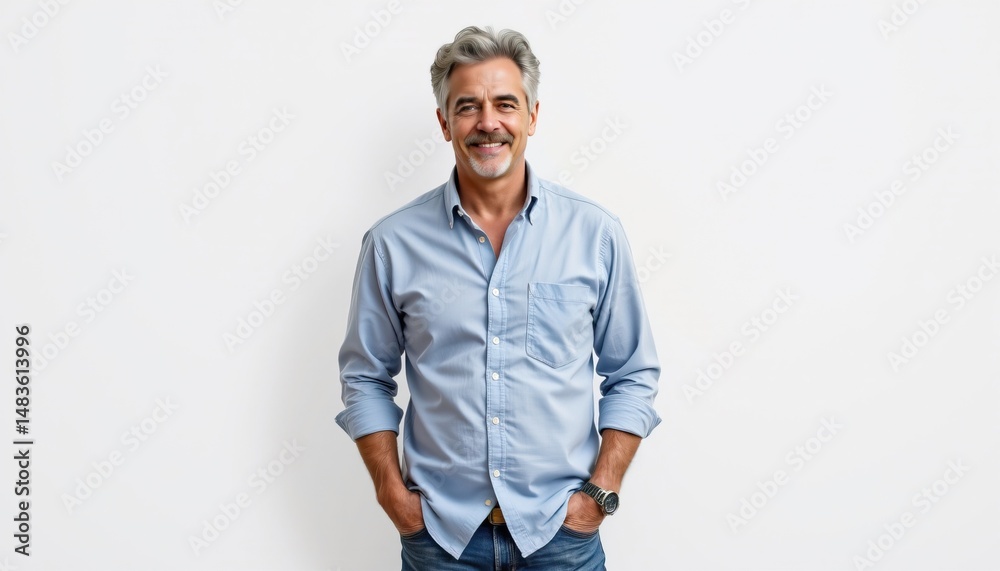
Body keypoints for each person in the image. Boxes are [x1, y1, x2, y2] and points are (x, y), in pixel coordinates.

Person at [336, 25, 661, 570]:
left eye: (505, 104)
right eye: (468, 107)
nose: (488, 122)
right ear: (444, 123)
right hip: (441, 541)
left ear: (532, 116)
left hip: (561, 538)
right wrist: (393, 495)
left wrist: (600, 493)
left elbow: (633, 372)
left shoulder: (594, 234)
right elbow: (365, 377)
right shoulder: (391, 243)